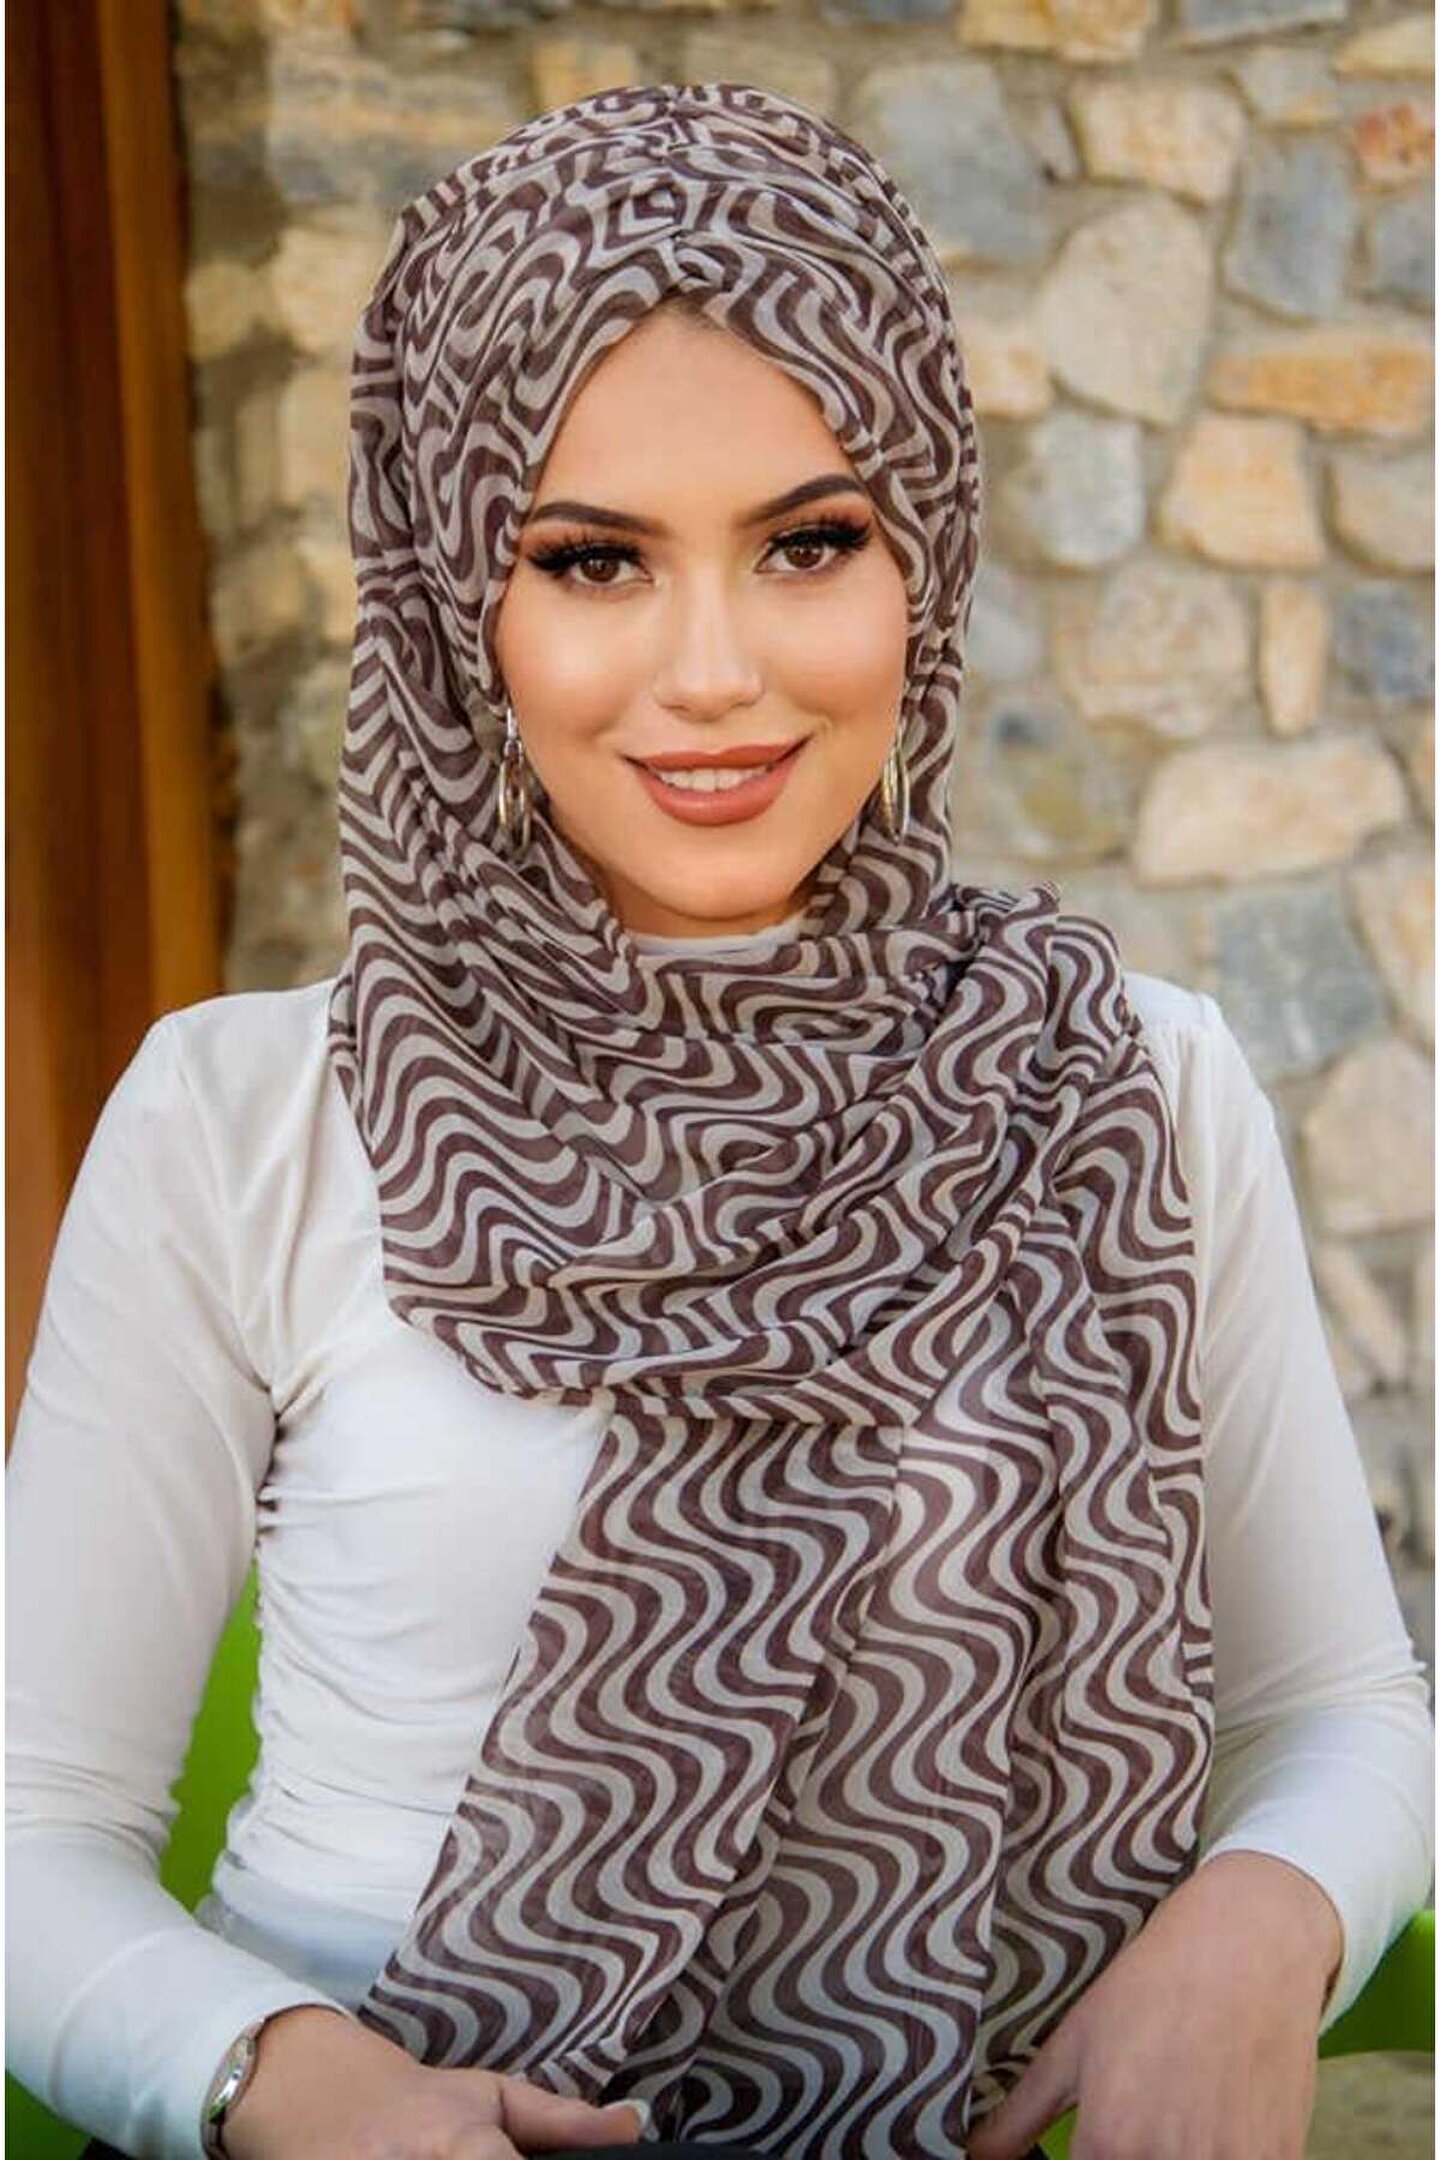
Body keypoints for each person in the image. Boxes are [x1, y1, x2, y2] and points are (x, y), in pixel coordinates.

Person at [7, 79, 1432, 2160]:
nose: (714, 673)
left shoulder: (1125, 1081)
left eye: (809, 544)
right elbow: (30, 1826)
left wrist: (1259, 1916)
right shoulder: (247, 1118)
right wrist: (293, 2086)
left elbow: (1343, 1716)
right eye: (591, 560)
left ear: (924, 551)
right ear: (454, 598)